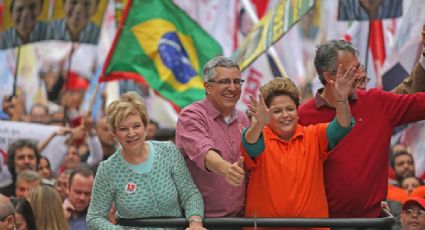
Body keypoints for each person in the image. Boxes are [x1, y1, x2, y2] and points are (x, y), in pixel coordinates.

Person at [298, 39, 425, 218]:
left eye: (359, 67)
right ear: (329, 77)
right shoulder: (302, 117)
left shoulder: (376, 103)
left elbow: (419, 103)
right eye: (351, 70)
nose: (360, 74)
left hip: (372, 223)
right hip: (323, 224)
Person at [241, 72, 354, 229]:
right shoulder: (258, 135)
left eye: (290, 109)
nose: (285, 115)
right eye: (277, 111)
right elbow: (251, 146)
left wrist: (342, 100)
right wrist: (259, 124)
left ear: (298, 110)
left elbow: (342, 125)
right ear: (267, 114)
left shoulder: (314, 136)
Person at [87, 92, 205, 230]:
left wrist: (195, 221)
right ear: (114, 133)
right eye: (123, 129)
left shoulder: (168, 151)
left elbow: (190, 194)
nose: (131, 133)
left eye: (136, 126)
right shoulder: (107, 169)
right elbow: (94, 217)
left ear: (145, 127)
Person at [176, 56, 250, 222]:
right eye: (225, 81)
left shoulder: (243, 119)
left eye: (237, 82)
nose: (233, 88)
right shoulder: (191, 115)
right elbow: (203, 151)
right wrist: (226, 169)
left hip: (241, 219)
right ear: (207, 86)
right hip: (201, 221)